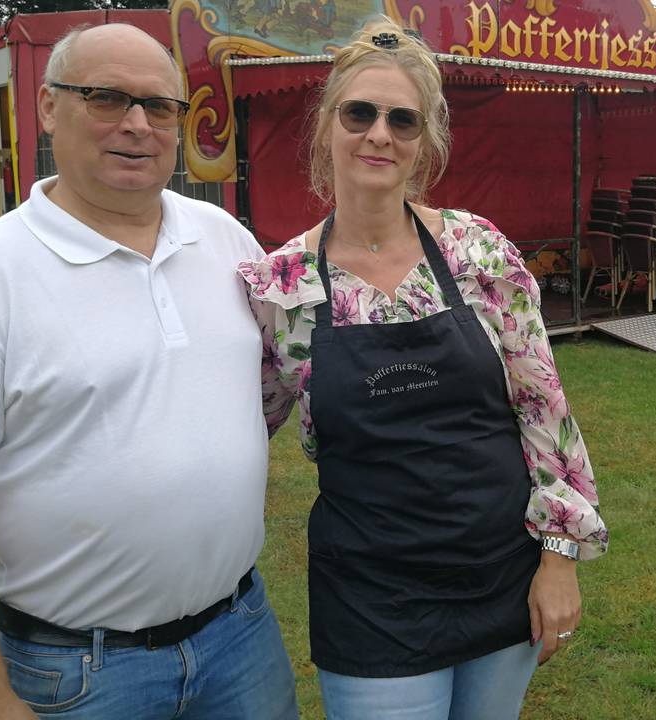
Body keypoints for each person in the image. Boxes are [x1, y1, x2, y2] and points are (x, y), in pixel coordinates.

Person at [0, 23, 296, 720]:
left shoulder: (226, 240)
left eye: (159, 106)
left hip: (239, 637)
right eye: (106, 98)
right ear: (48, 107)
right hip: (78, 671)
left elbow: (255, 396)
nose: (137, 124)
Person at [240, 17, 608, 720]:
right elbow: (240, 430)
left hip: (501, 577)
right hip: (371, 596)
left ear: (424, 144)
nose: (380, 133)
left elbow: (543, 409)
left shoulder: (478, 252)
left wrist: (558, 556)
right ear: (325, 126)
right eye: (360, 113)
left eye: (402, 121)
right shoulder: (283, 285)